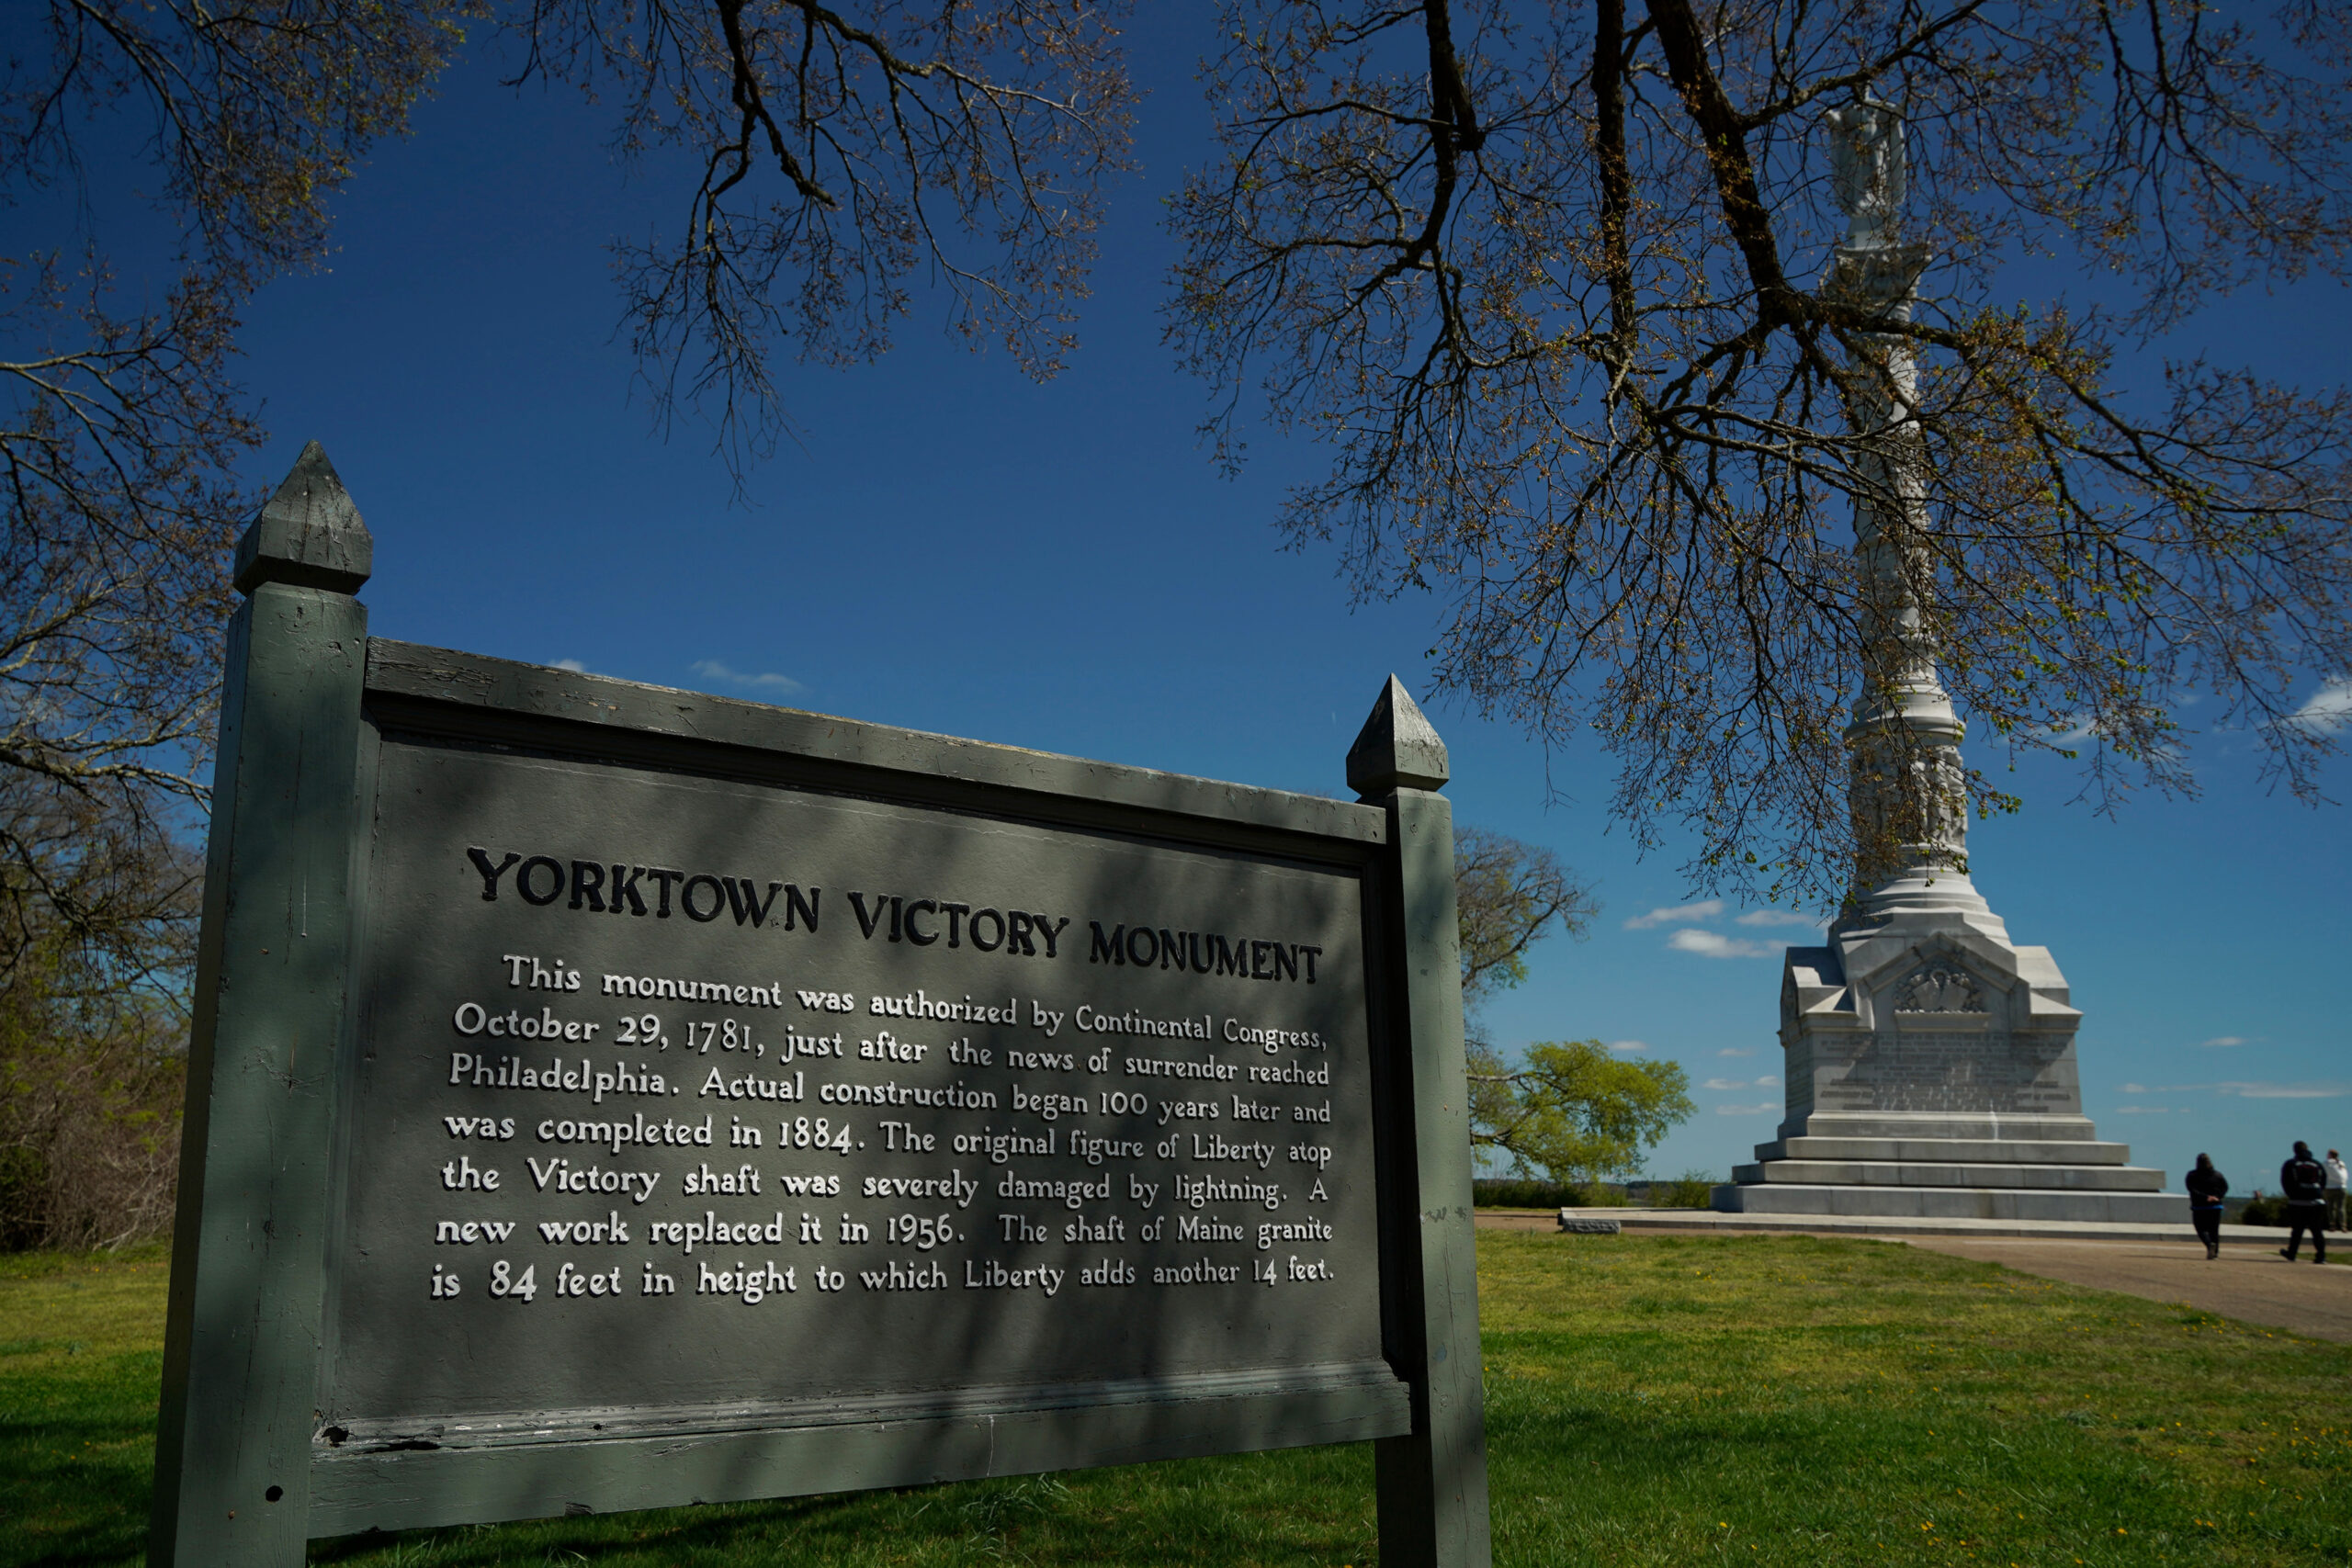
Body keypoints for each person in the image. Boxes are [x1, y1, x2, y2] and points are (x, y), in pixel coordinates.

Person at [2279, 1141, 2328, 1264]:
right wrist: (2317, 1193)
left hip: (2297, 1202)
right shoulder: (2317, 1164)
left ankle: (2292, 1253)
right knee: (2317, 1231)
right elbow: (2323, 1180)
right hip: (2317, 1202)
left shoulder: (2291, 1164)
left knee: (2297, 1230)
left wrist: (2292, 1194)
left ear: (2295, 1150)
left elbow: (2285, 1181)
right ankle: (2321, 1256)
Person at [2186, 1154, 2228, 1259]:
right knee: (2214, 1230)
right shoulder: (2218, 1175)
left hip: (2200, 1206)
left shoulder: (2192, 1175)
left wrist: (2205, 1197)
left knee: (2200, 1229)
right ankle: (2215, 1253)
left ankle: (2209, 1246)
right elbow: (2225, 1187)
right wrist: (2217, 1197)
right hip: (2215, 1206)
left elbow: (2192, 1189)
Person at [2328, 1149, 2347, 1232]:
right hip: (2342, 1187)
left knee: (2331, 1208)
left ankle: (2332, 1225)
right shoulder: (2341, 1163)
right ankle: (2343, 1226)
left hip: (2329, 1187)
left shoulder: (2327, 1163)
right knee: (2341, 1208)